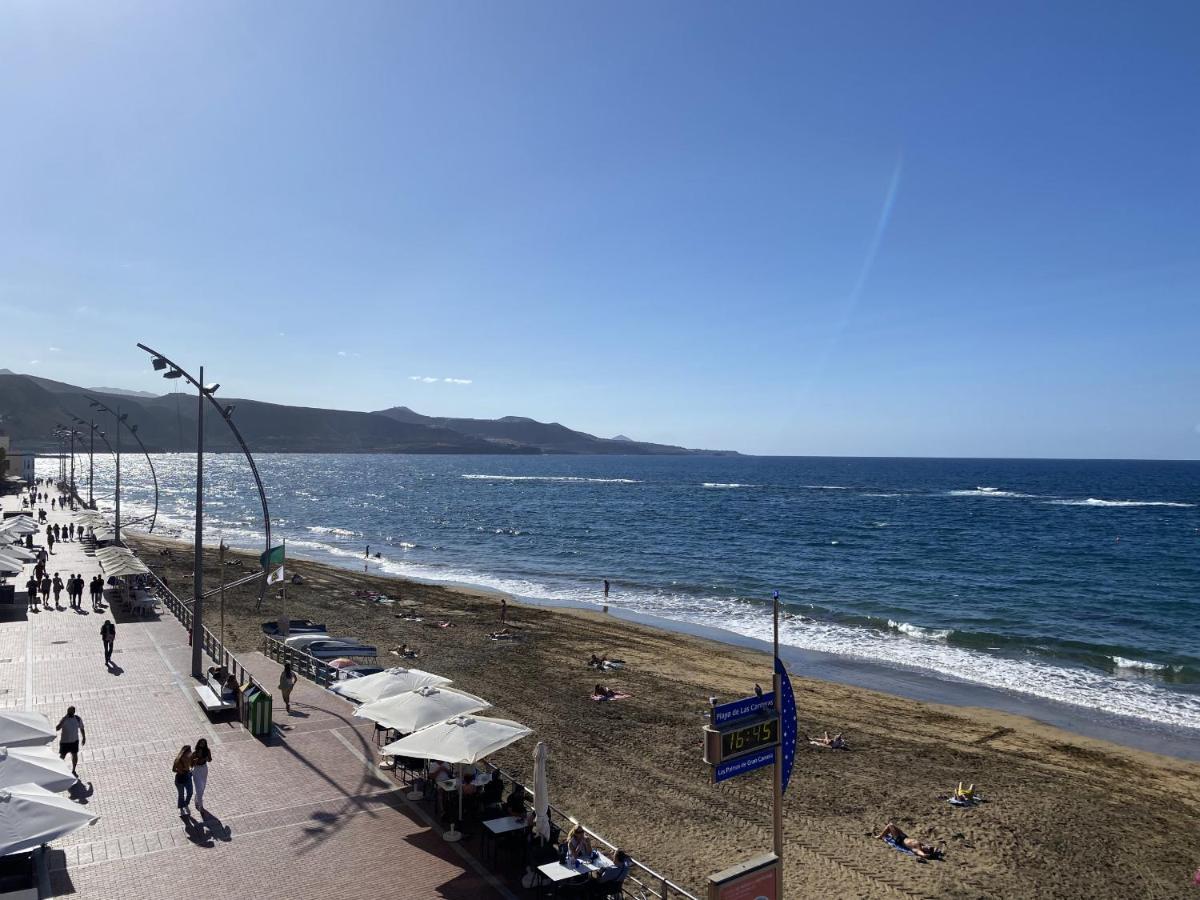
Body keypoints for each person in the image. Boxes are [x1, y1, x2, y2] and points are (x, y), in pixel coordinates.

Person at [877, 823, 941, 860]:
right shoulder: (922, 845)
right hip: (904, 836)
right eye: (929, 846)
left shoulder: (918, 849)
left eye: (928, 848)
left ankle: (880, 836)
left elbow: (922, 854)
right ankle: (883, 834)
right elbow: (935, 849)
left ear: (927, 851)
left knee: (890, 825)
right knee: (892, 825)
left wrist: (926, 855)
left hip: (900, 840)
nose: (928, 846)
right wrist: (935, 850)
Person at [56, 707, 86, 777]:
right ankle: (58, 769)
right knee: (62, 756)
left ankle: (73, 770)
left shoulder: (77, 719)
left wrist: (84, 737)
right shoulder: (64, 719)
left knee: (75, 756)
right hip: (65, 742)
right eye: (68, 711)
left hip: (74, 741)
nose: (69, 713)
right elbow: (57, 728)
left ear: (74, 712)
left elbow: (82, 728)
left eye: (70, 712)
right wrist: (63, 720)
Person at [191, 739, 212, 815]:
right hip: (196, 770)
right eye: (201, 743)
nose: (202, 745)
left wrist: (207, 758)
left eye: (203, 743)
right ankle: (201, 806)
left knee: (202, 787)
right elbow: (191, 764)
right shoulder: (195, 753)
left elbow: (210, 759)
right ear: (198, 743)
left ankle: (197, 798)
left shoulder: (207, 751)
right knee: (199, 788)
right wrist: (195, 761)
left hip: (204, 769)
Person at [172, 744, 194, 813]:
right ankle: (181, 808)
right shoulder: (178, 760)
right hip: (180, 778)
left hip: (188, 776)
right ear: (185, 752)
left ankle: (185, 804)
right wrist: (179, 771)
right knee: (181, 794)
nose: (191, 752)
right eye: (189, 751)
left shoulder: (190, 758)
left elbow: (191, 765)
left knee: (190, 792)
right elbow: (173, 769)